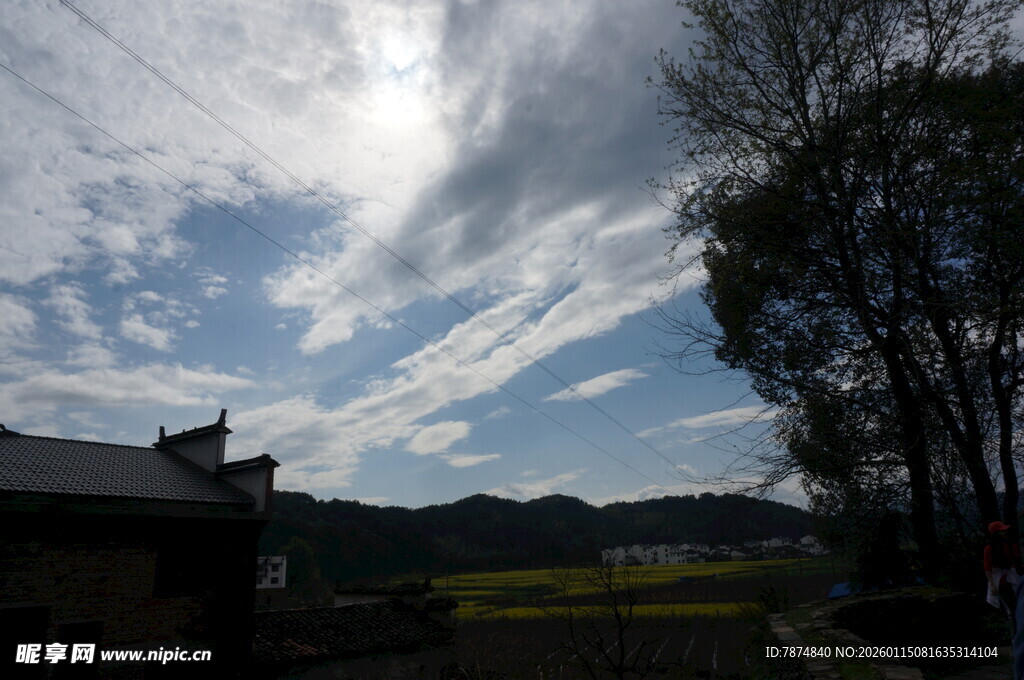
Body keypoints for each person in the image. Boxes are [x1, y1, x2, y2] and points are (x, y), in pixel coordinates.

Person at [983, 520, 1023, 679]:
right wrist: (992, 584)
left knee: (1015, 609)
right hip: (1001, 581)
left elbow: (1015, 560)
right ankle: (1013, 638)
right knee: (1012, 610)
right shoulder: (990, 549)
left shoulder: (1009, 545)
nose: (1004, 533)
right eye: (1001, 531)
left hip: (1012, 577)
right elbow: (988, 568)